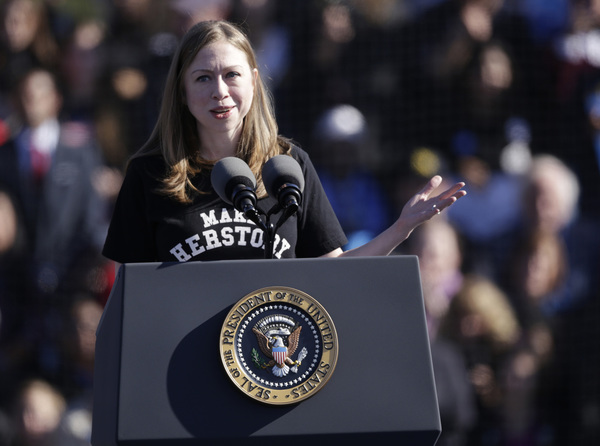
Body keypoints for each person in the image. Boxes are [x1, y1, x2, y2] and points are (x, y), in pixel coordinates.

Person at [102, 20, 466, 265]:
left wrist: (401, 228)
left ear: (254, 81)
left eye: (232, 75)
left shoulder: (287, 166)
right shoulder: (149, 173)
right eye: (203, 78)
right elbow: (128, 291)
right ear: (181, 91)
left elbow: (335, 271)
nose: (220, 91)